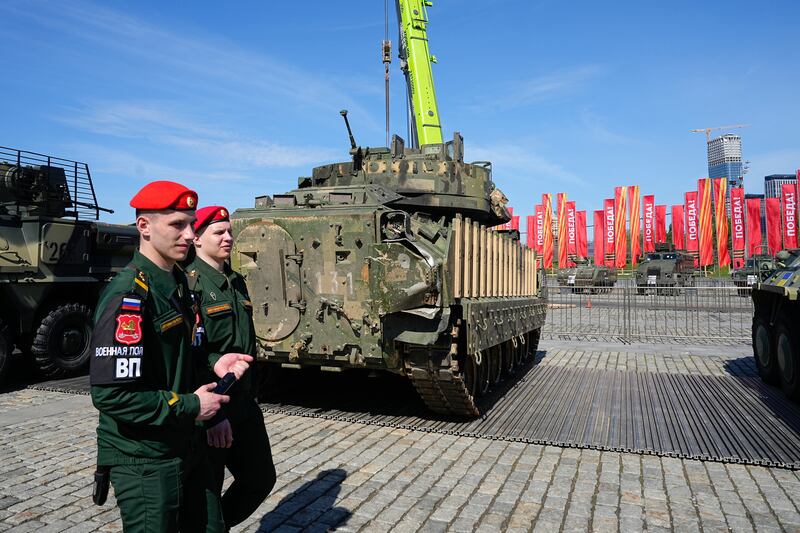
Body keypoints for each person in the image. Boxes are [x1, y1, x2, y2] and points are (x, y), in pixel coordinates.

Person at [90, 181, 253, 533]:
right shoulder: (129, 297)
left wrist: (214, 364)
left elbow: (185, 354)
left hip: (185, 445)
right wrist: (192, 407)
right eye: (177, 224)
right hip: (145, 457)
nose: (189, 233)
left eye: (191, 224)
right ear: (144, 228)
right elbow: (111, 395)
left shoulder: (177, 284)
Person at [187, 205, 276, 529]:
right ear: (197, 238)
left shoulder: (235, 281)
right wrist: (214, 417)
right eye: (218, 232)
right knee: (206, 498)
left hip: (244, 402)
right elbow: (192, 356)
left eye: (229, 231)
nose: (228, 237)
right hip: (213, 407)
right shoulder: (190, 285)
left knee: (260, 478)